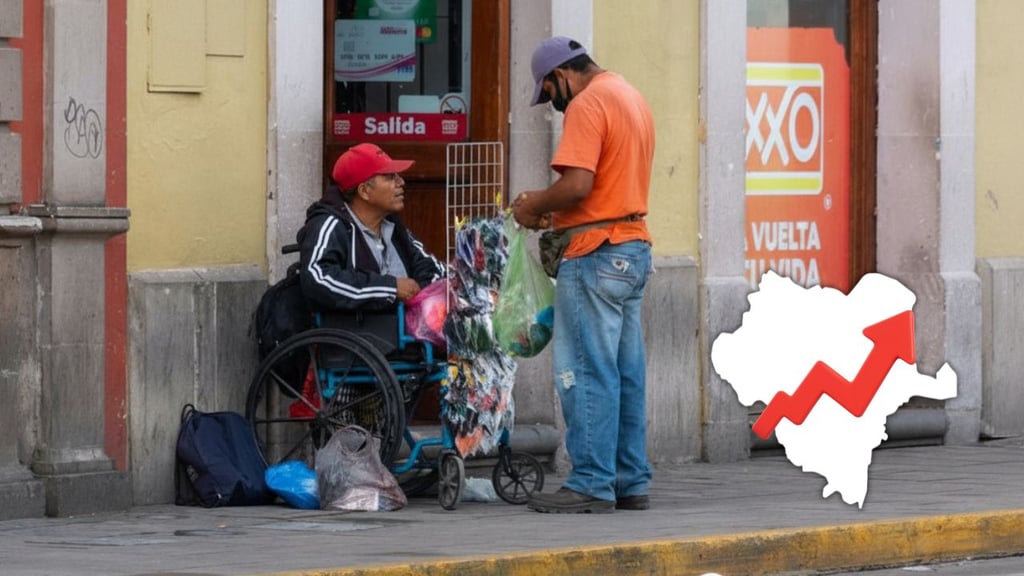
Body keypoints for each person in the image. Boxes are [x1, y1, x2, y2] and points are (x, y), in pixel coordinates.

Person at [512, 36, 656, 514]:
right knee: (625, 373)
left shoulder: (588, 102)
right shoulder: (630, 96)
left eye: (549, 92)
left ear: (561, 76)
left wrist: (534, 204)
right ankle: (629, 480)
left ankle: (592, 482)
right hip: (632, 249)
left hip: (594, 253)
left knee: (587, 372)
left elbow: (579, 184)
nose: (552, 104)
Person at [297, 143, 445, 315]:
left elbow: (431, 268)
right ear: (365, 191)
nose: (401, 182)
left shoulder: (392, 225)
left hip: (403, 332)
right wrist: (390, 288)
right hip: (357, 332)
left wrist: (421, 289)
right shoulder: (329, 225)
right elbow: (317, 279)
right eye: (390, 177)